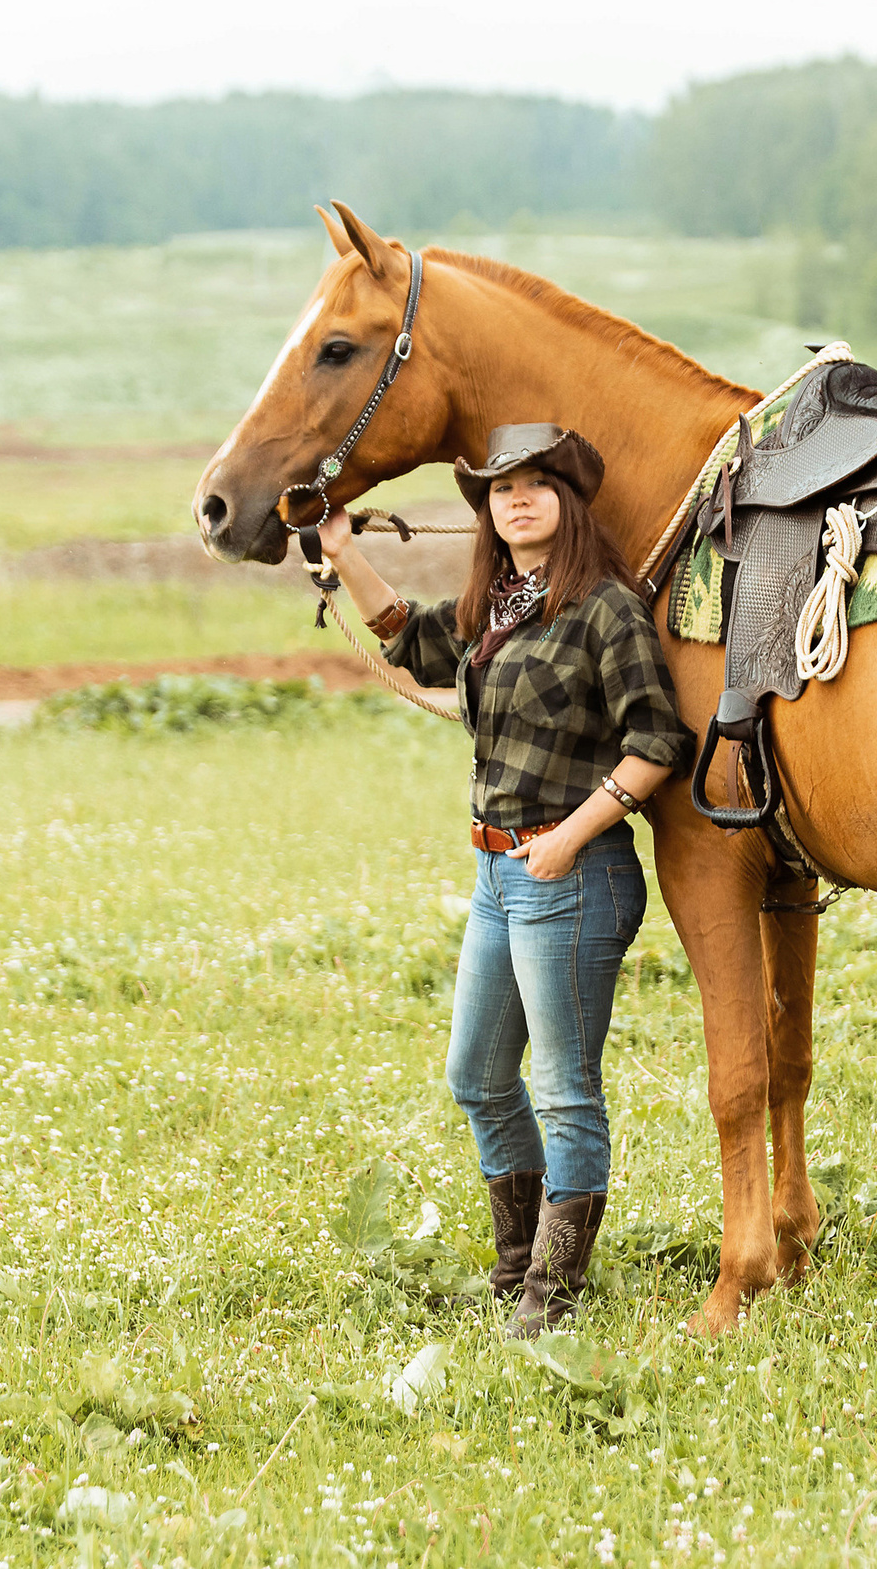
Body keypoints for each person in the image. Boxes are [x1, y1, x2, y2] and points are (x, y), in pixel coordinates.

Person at [314, 422, 692, 1336]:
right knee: (478, 1076)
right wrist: (340, 551)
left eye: (536, 484)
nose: (516, 498)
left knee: (566, 1089)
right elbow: (408, 636)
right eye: (499, 488)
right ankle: (517, 1261)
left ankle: (551, 1293)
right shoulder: (499, 603)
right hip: (497, 873)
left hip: (573, 872)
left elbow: (657, 741)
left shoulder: (605, 607)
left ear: (567, 501)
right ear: (486, 510)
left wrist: (572, 833)